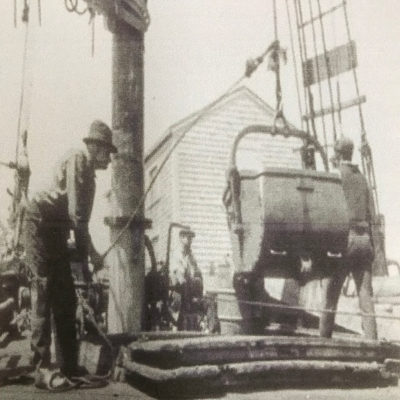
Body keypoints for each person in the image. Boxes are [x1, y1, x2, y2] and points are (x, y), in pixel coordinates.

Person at [23, 120, 116, 390]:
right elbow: (77, 217)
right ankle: (41, 369)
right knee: (42, 293)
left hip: (57, 234)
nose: (109, 160)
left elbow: (80, 223)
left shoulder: (92, 180)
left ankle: (69, 364)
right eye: (107, 152)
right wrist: (95, 256)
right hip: (38, 225)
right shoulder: (78, 160)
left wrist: (88, 263)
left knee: (64, 296)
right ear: (95, 148)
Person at [319, 137, 378, 340]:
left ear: (337, 155)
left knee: (329, 297)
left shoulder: (336, 177)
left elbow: (329, 212)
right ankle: (373, 344)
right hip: (365, 242)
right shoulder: (362, 179)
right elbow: (371, 214)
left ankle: (323, 344)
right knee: (365, 295)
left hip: (345, 240)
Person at [170, 229, 204, 331]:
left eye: (191, 238)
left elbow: (196, 272)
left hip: (189, 291)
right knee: (179, 310)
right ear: (181, 238)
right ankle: (176, 326)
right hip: (177, 291)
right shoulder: (176, 254)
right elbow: (177, 274)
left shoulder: (191, 256)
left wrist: (197, 282)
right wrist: (186, 282)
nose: (190, 240)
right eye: (188, 237)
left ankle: (194, 325)